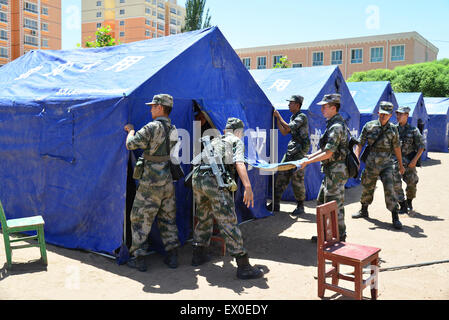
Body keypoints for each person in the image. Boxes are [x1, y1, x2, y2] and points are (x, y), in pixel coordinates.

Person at [191, 117, 264, 280]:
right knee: (228, 221)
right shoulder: (236, 141)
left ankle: (198, 254)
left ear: (225, 130)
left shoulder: (216, 140)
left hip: (198, 179)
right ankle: (244, 266)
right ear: (239, 132)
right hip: (213, 181)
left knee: (204, 217)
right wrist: (248, 186)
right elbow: (239, 163)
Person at [124, 94, 181, 272]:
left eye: (153, 106)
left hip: (151, 182)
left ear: (160, 107)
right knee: (168, 218)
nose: (150, 109)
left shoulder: (152, 127)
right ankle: (172, 255)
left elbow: (131, 145)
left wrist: (131, 130)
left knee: (140, 218)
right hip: (168, 181)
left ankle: (139, 257)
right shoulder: (173, 129)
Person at [299, 94, 349, 241]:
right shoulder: (332, 124)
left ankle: (339, 236)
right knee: (322, 202)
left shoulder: (337, 127)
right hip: (331, 171)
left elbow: (329, 153)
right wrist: (311, 156)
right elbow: (326, 148)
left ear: (334, 108)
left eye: (324, 106)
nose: (322, 109)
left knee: (334, 205)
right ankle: (326, 235)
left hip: (336, 172)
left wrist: (308, 162)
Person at [352, 101, 405, 230]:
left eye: (386, 115)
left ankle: (395, 216)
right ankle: (364, 209)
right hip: (371, 163)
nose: (383, 116)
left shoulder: (393, 129)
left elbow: (397, 147)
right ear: (378, 113)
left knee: (390, 189)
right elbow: (360, 143)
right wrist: (356, 159)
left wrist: (401, 164)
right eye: (381, 114)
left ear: (390, 115)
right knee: (367, 187)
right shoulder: (369, 126)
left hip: (387, 164)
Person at [267, 95, 310, 216]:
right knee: (281, 174)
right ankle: (275, 204)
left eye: (291, 103)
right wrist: (277, 120)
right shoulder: (293, 116)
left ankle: (300, 206)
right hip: (292, 150)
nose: (288, 105)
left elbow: (289, 127)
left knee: (297, 178)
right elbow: (285, 132)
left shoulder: (302, 117)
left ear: (297, 105)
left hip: (300, 151)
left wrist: (278, 116)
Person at [393, 106, 426, 213]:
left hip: (409, 163)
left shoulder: (413, 130)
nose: (398, 116)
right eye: (397, 114)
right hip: (395, 162)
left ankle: (409, 201)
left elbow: (421, 146)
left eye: (401, 114)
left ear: (407, 115)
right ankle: (402, 203)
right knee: (395, 182)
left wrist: (414, 161)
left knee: (412, 182)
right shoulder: (393, 129)